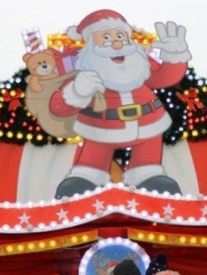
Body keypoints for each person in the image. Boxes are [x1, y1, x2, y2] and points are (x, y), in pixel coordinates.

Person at [49, 9, 191, 197]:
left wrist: (175, 55)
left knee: (149, 167)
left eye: (120, 36)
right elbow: (57, 107)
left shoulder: (139, 64)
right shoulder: (84, 71)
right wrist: (77, 91)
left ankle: (148, 176)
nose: (116, 43)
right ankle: (86, 179)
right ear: (91, 43)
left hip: (148, 124)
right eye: (106, 37)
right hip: (101, 128)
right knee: (91, 164)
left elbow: (164, 77)